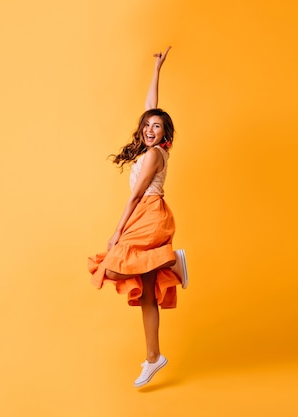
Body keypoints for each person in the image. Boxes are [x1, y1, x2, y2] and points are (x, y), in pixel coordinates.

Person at [87, 46, 189, 388]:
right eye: (147, 125)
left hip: (148, 214)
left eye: (157, 126)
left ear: (164, 134)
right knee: (147, 293)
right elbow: (151, 106)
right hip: (150, 214)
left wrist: (117, 231)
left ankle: (173, 261)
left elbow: (135, 196)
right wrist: (157, 68)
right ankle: (153, 357)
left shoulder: (154, 157)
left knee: (112, 266)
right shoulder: (153, 147)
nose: (150, 129)